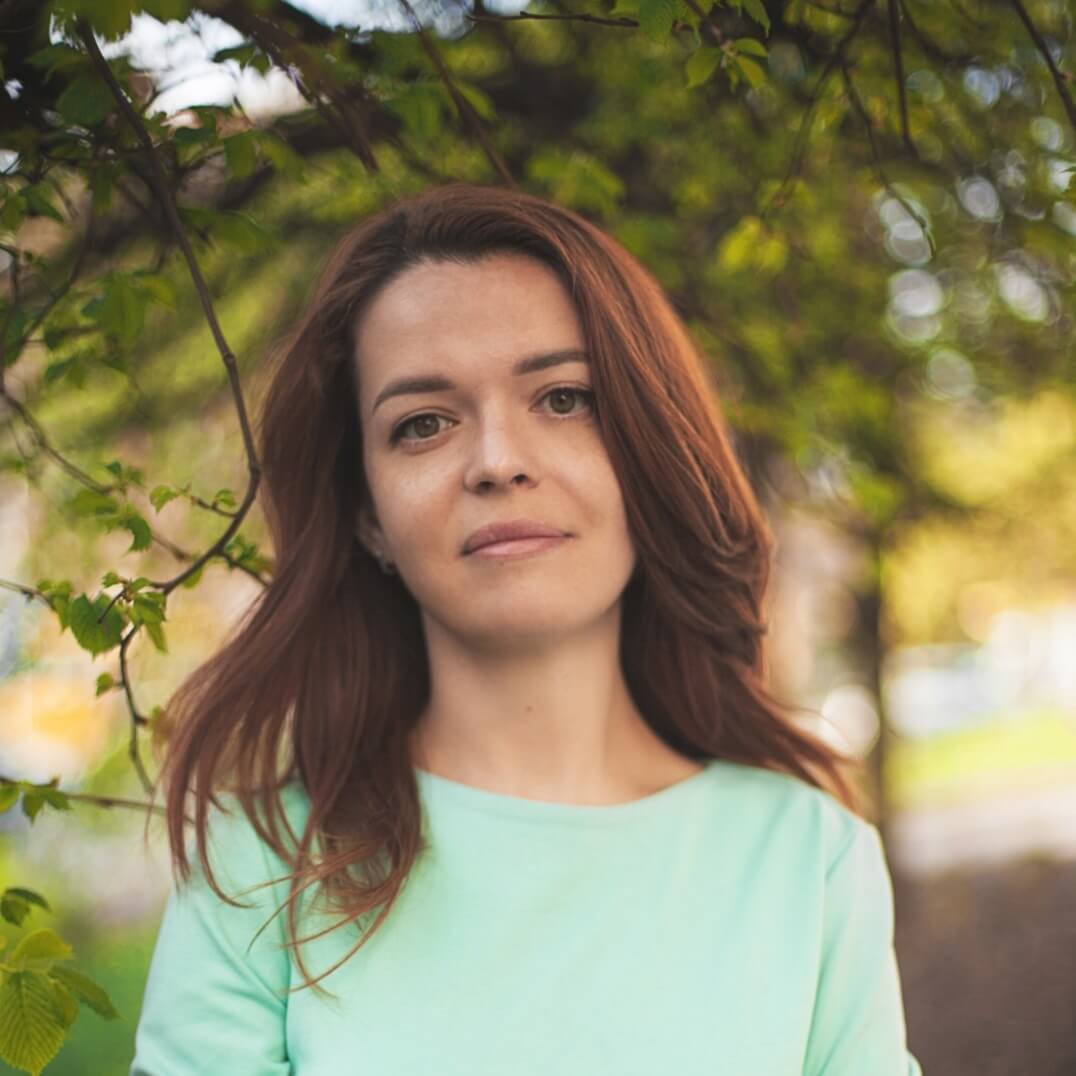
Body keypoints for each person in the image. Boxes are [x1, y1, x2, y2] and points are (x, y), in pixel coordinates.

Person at [129, 182, 923, 1075]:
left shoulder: (809, 862)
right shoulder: (259, 870)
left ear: (650, 452)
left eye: (564, 399)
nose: (498, 462)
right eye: (423, 424)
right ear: (367, 516)